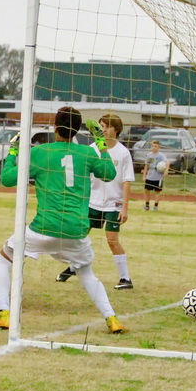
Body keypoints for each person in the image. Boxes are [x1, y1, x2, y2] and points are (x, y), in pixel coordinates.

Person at [0, 108, 127, 334]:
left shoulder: (41, 152)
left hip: (43, 228)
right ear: (78, 130)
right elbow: (109, 173)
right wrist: (101, 143)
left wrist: (13, 151)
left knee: (2, 261)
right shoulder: (87, 153)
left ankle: (4, 313)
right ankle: (112, 318)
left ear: (54, 127)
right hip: (76, 231)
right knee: (86, 273)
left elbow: (7, 179)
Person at [56, 114, 136, 290]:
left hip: (113, 204)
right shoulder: (92, 149)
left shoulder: (123, 152)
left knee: (112, 239)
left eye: (106, 126)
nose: (103, 130)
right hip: (92, 202)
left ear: (116, 130)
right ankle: (73, 267)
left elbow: (127, 181)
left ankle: (125, 278)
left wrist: (125, 207)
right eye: (100, 126)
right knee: (80, 236)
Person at [142, 140, 168, 211]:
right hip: (150, 176)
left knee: (157, 191)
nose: (154, 147)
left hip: (158, 177)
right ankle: (147, 205)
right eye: (153, 146)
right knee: (146, 190)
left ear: (159, 147)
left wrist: (166, 170)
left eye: (156, 146)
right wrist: (144, 175)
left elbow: (167, 162)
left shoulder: (161, 156)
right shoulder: (149, 155)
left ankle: (155, 206)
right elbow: (146, 166)